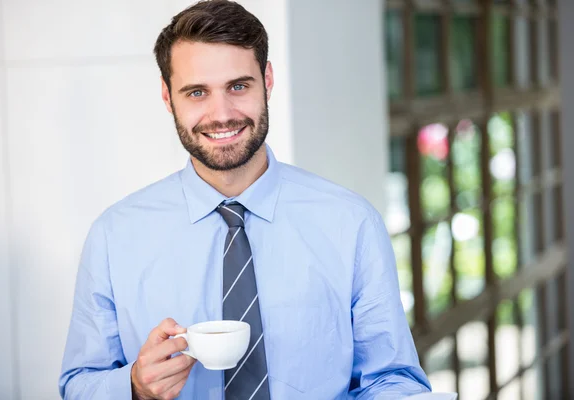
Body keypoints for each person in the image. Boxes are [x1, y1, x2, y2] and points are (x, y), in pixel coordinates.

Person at [58, 1, 431, 399]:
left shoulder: (352, 223)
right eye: (197, 92)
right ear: (168, 98)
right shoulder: (114, 236)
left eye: (238, 86)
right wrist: (131, 386)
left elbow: (392, 379)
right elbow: (78, 383)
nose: (221, 114)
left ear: (267, 80)